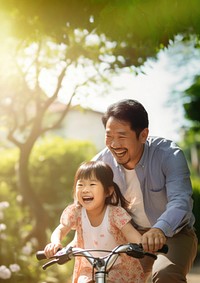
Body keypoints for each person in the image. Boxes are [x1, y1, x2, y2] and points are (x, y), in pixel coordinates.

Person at [92, 99, 198, 283]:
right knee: (106, 276)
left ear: (143, 135)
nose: (114, 144)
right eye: (109, 136)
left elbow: (180, 200)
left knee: (166, 275)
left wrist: (159, 229)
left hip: (175, 233)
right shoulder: (101, 164)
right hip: (131, 237)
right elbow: (87, 204)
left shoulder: (168, 154)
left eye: (122, 136)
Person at [44, 160, 145, 283]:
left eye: (92, 184)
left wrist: (142, 245)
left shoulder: (115, 214)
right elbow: (61, 229)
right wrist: (55, 243)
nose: (85, 189)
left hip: (119, 269)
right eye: (80, 185)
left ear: (108, 191)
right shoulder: (75, 212)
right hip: (88, 269)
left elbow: (130, 233)